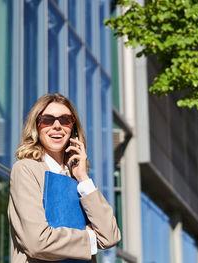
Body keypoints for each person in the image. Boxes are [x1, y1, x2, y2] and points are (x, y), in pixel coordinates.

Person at [7, 93, 121, 262]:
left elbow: (110, 236)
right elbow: (37, 241)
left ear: (72, 127)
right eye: (47, 120)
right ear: (36, 126)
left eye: (65, 119)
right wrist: (89, 238)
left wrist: (83, 177)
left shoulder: (77, 179)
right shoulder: (26, 170)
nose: (57, 126)